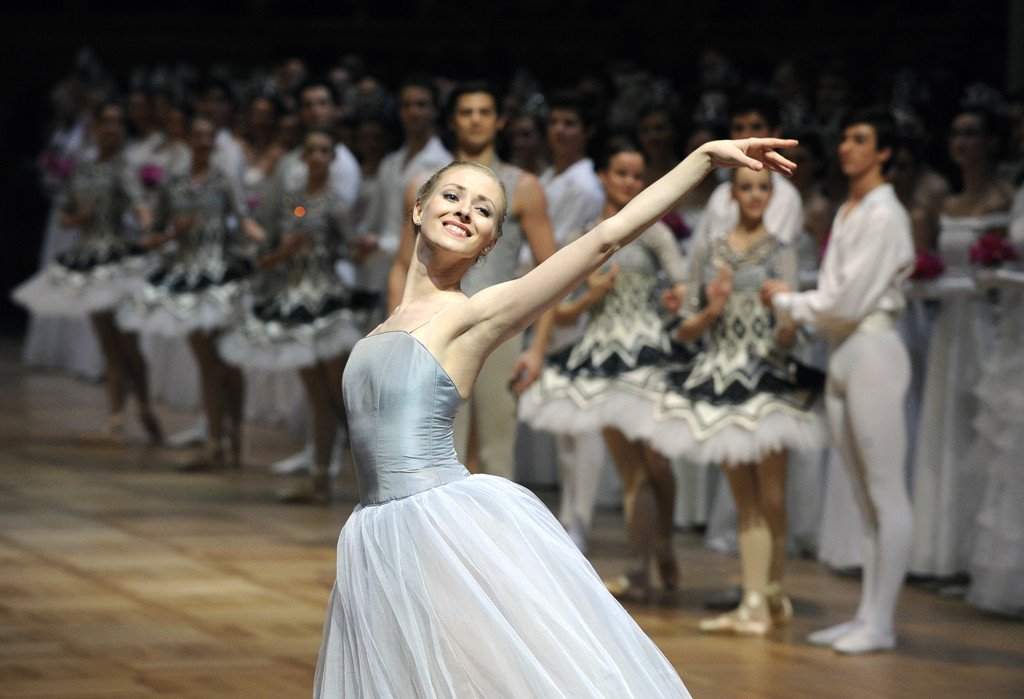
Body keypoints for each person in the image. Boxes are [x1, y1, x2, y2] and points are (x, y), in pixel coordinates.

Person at [314, 136, 798, 696]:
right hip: (372, 534)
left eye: (483, 210)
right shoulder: (382, 328)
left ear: (490, 243)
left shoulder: (473, 316)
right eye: (452, 196)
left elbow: (605, 239)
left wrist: (703, 160)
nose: (464, 211)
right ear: (419, 209)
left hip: (434, 526)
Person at [761, 107, 915, 654]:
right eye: (845, 137)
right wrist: (805, 310)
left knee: (885, 489)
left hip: (873, 346)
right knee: (862, 493)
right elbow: (837, 301)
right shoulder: (852, 210)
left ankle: (882, 620)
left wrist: (790, 302)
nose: (847, 146)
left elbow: (846, 302)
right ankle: (867, 614)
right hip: (845, 349)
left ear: (884, 152)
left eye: (861, 138)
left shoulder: (884, 214)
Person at [652, 166, 824, 635]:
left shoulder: (782, 251)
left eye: (762, 188)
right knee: (744, 496)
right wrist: (712, 308)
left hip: (767, 378)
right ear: (732, 194)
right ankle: (753, 602)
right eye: (746, 187)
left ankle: (772, 589)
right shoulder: (711, 251)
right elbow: (685, 329)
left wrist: (785, 313)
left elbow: (790, 332)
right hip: (722, 379)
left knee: (772, 496)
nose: (754, 195)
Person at [520, 139, 690, 584]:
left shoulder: (654, 232)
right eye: (621, 173)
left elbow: (683, 285)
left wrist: (678, 299)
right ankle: (638, 568)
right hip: (601, 357)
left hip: (647, 353)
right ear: (603, 176)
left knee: (656, 461)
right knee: (631, 467)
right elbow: (559, 309)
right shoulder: (584, 237)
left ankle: (663, 542)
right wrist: (590, 297)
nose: (630, 183)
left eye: (637, 176)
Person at [386, 80, 558, 479]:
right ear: (452, 121)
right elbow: (402, 263)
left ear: (499, 121)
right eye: (466, 112)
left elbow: (550, 273)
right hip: (434, 324)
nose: (476, 120)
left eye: (484, 112)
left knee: (497, 449)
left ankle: (495, 524)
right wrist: (395, 330)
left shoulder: (523, 186)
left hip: (499, 325)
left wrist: (537, 349)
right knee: (436, 447)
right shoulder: (426, 185)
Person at [219, 128, 364, 502]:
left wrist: (360, 247)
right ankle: (320, 481)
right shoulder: (290, 203)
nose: (317, 157)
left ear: (332, 158)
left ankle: (369, 476)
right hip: (293, 302)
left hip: (328, 302)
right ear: (303, 157)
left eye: (324, 151)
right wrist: (284, 252)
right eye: (311, 150)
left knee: (339, 396)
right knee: (317, 396)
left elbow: (352, 249)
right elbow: (263, 258)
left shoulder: (336, 204)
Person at [117, 113, 265, 470]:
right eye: (196, 135)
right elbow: (154, 232)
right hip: (186, 279)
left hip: (218, 276)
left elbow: (244, 219)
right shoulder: (175, 183)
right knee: (206, 362)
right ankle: (214, 441)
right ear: (188, 140)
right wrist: (172, 233)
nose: (202, 142)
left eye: (208, 136)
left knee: (228, 361)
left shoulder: (223, 180)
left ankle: (234, 434)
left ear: (214, 142)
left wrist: (267, 241)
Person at [12, 99, 162, 445]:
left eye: (118, 122)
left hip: (117, 259)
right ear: (96, 128)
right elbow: (65, 214)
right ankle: (115, 416)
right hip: (90, 260)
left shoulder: (124, 169)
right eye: (106, 121)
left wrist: (148, 222)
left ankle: (143, 405)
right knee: (108, 342)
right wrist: (79, 218)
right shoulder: (83, 170)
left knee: (128, 341)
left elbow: (139, 202)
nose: (112, 128)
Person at [907, 103, 1014, 582]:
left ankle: (976, 555)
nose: (961, 142)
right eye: (956, 133)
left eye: (971, 133)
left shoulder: (1004, 199)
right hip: (949, 325)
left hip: (986, 323)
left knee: (979, 430)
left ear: (991, 141)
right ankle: (941, 552)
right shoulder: (947, 203)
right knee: (944, 430)